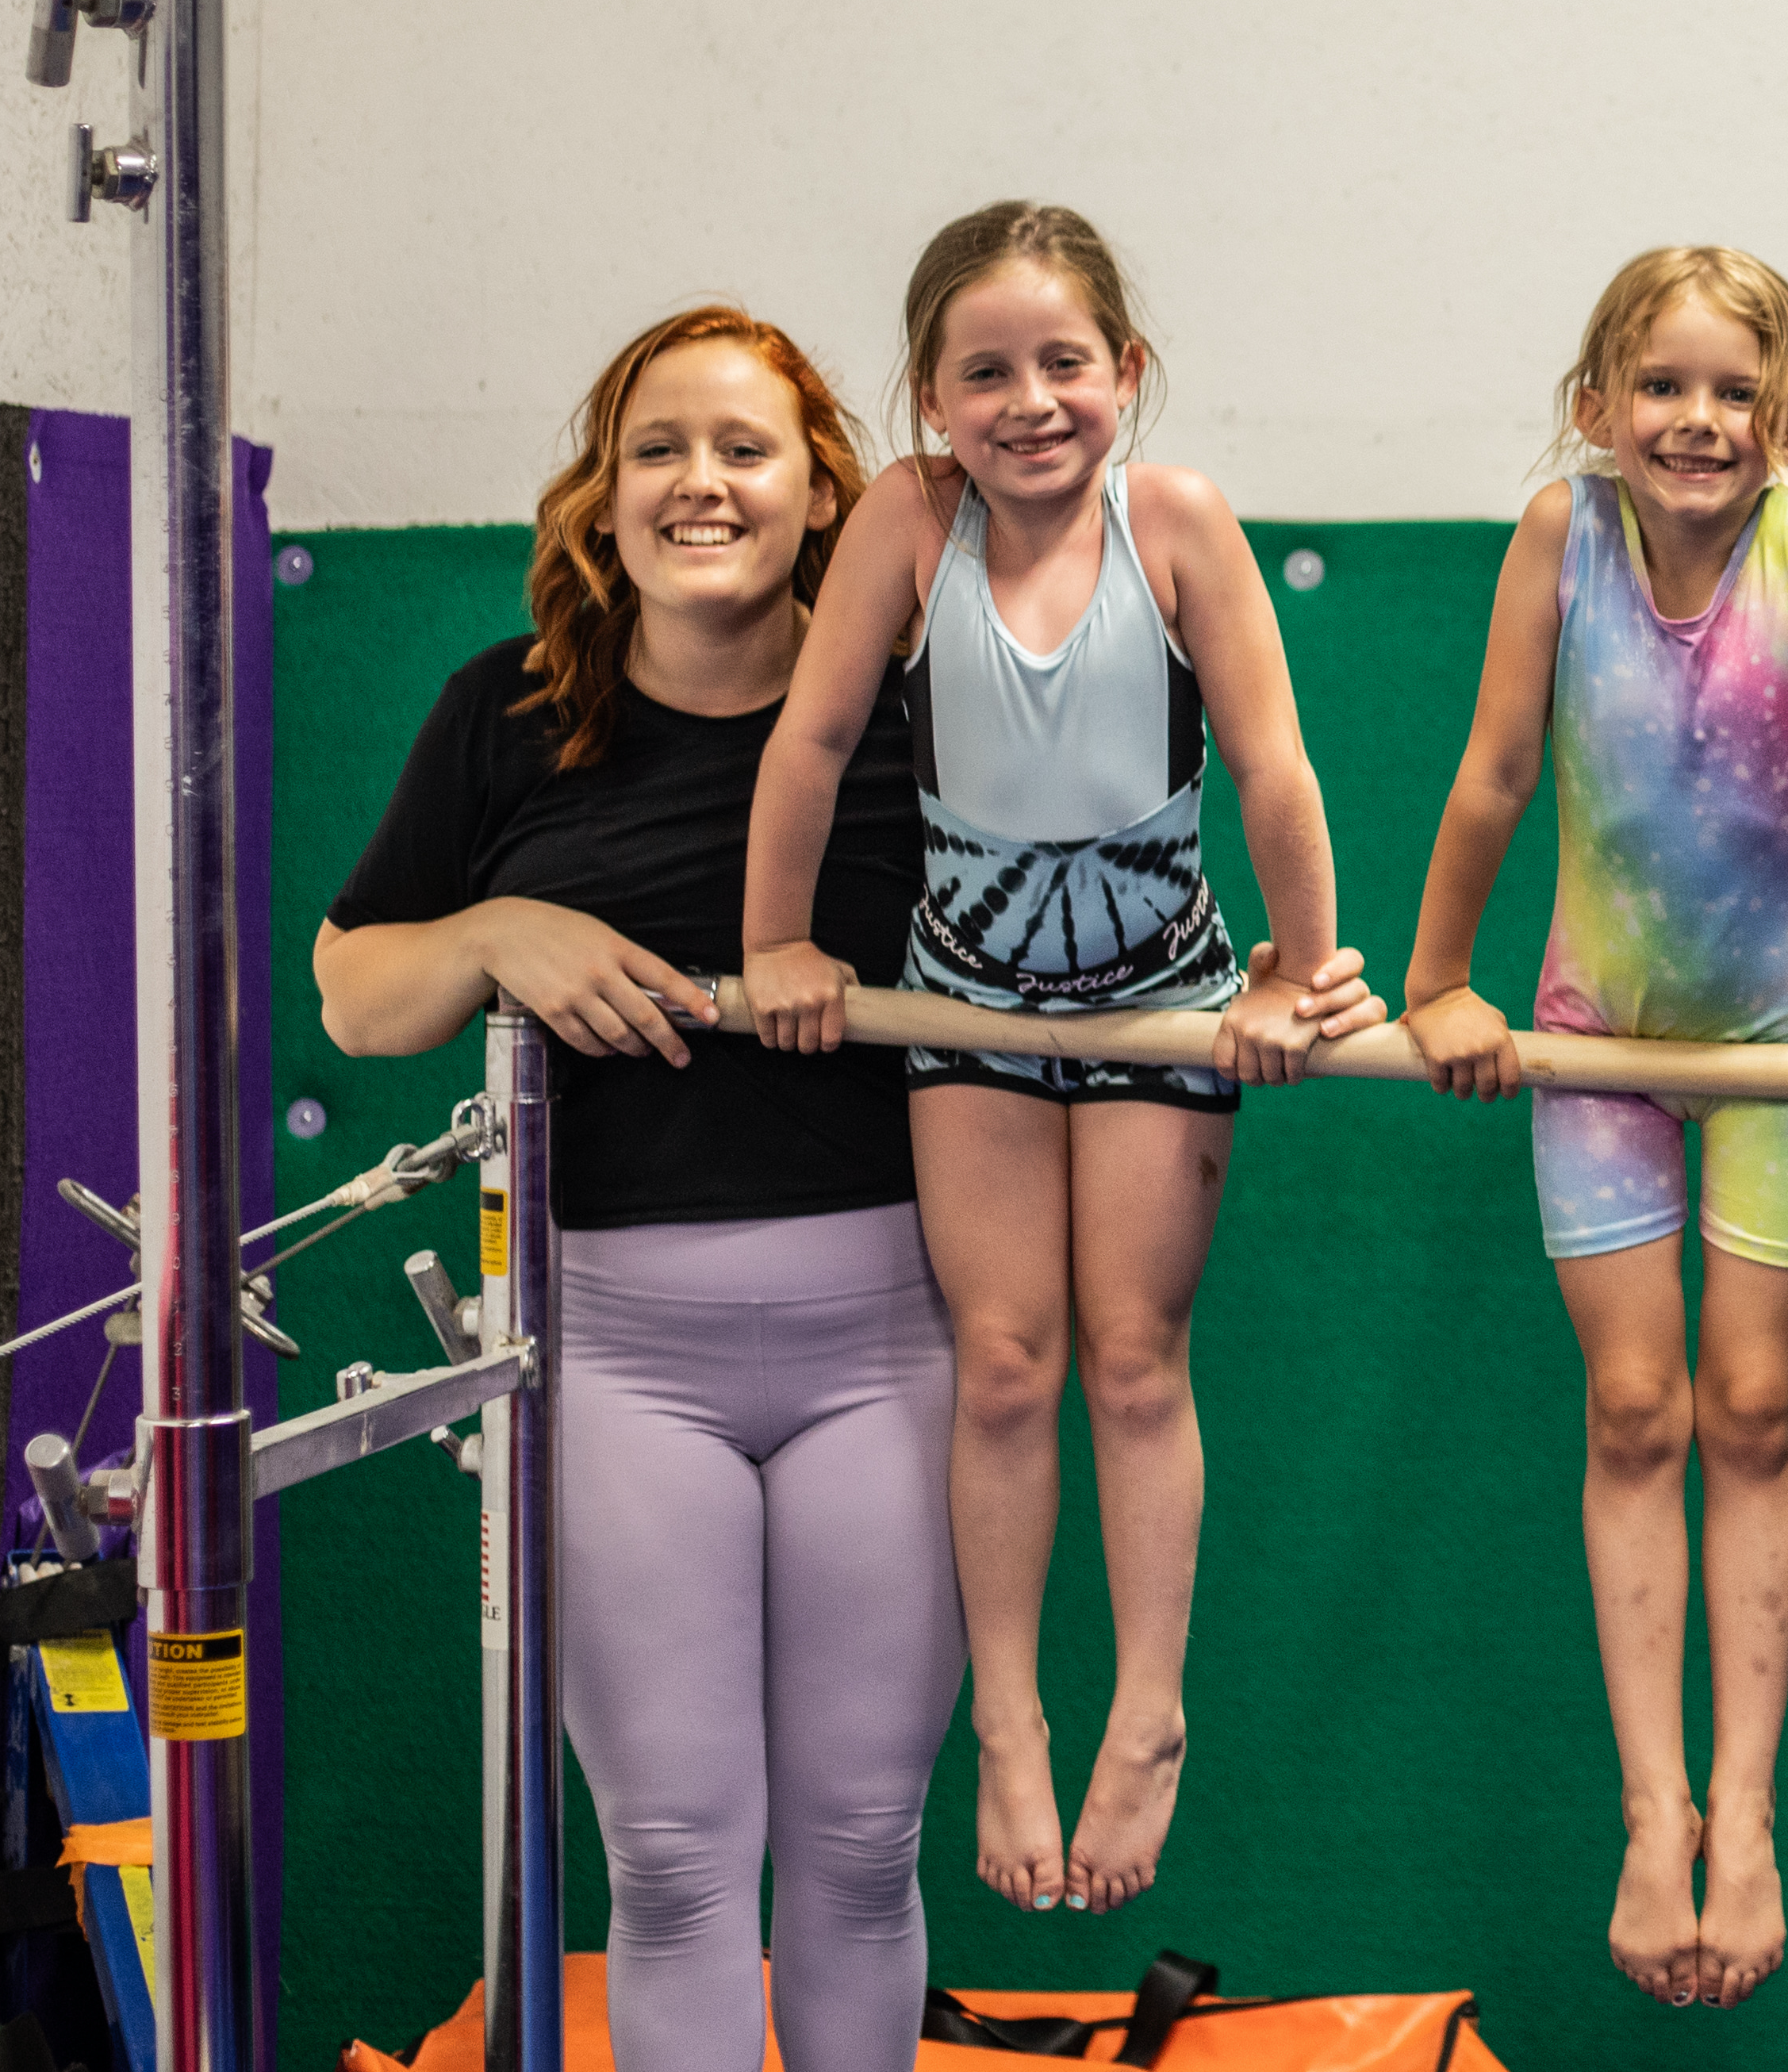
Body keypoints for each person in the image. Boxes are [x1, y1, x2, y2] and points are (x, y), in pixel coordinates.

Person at [317, 305, 957, 2072]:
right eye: (657, 448)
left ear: (822, 494)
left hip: (893, 1341)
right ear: (603, 501)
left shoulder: (920, 718)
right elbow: (356, 994)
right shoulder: (507, 714)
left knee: (856, 1843)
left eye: (743, 450)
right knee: (674, 1855)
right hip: (612, 1349)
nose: (700, 484)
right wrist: (490, 928)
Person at [742, 200, 1379, 1917]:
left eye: (1064, 363)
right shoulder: (906, 519)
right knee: (1005, 1360)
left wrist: (1297, 977)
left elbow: (1274, 770)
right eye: (985, 373)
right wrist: (776, 944)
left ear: (1128, 372)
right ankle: (1011, 1716)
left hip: (1161, 991)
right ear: (931, 399)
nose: (1030, 401)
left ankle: (1150, 1710)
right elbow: (808, 743)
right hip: (967, 1004)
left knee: (1132, 1356)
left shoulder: (1173, 522)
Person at [1393, 244, 1788, 2010]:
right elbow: (1494, 769)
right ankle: (1654, 1812)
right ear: (1596, 407)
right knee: (1636, 1404)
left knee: (1752, 1404)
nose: (1698, 421)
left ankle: (1751, 1810)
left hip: (1779, 1035)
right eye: (1664, 387)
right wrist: (1436, 980)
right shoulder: (1562, 538)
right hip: (1588, 1040)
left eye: (1735, 393)